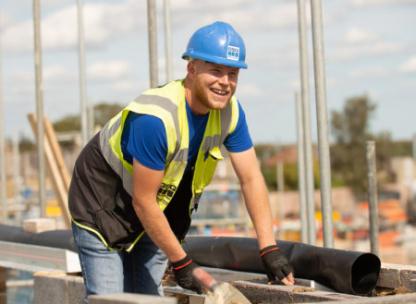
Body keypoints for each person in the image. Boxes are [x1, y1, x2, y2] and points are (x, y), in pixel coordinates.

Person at [68, 21, 294, 300]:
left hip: (155, 210)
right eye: (216, 70)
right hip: (103, 205)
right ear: (191, 69)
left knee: (149, 298)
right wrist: (183, 261)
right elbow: (143, 201)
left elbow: (251, 178)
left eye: (232, 74)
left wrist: (269, 248)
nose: (225, 82)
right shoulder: (156, 119)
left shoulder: (230, 113)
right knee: (112, 299)